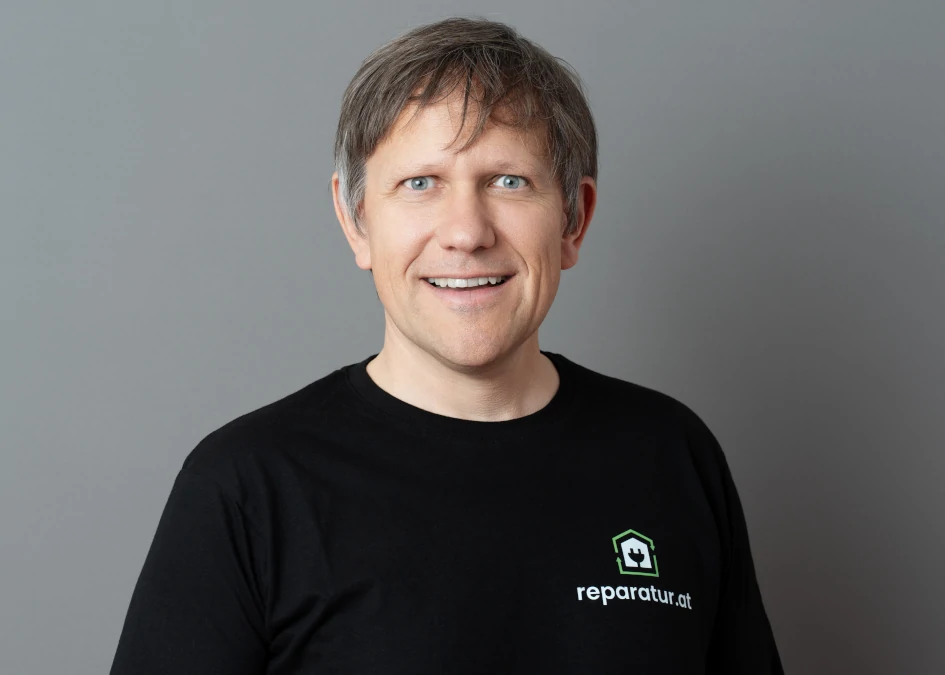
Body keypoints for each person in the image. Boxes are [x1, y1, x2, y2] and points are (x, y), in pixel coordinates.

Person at [109, 17, 783, 674]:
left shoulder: (671, 454)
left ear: (573, 219)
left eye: (508, 181)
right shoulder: (247, 486)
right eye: (420, 183)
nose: (466, 232)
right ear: (356, 221)